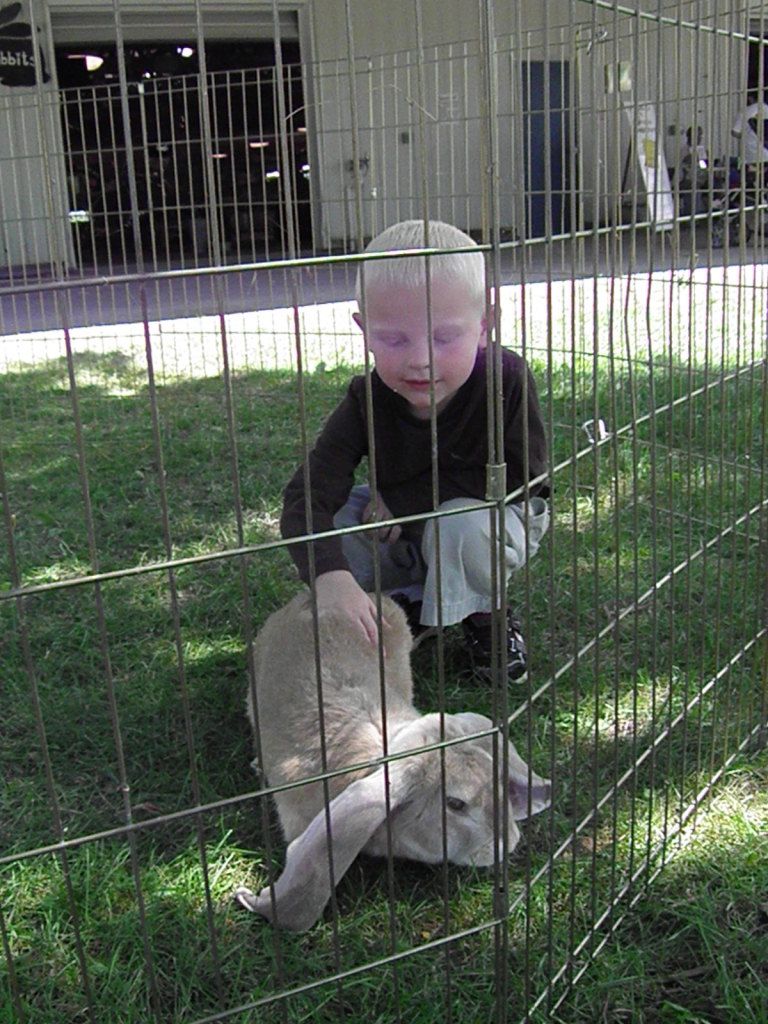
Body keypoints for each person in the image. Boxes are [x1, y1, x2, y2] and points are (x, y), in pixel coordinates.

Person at [280, 220, 550, 680]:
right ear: (364, 330)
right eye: (393, 339)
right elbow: (307, 494)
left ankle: (487, 618)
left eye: (444, 338)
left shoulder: (506, 380)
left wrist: (406, 505)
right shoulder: (365, 398)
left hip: (492, 513)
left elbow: (527, 478)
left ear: (486, 325)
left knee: (461, 524)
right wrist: (329, 575)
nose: (420, 359)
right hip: (399, 520)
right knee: (344, 512)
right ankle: (396, 602)